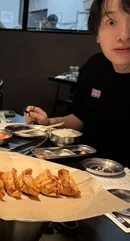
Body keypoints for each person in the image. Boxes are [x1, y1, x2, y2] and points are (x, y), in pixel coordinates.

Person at [24, 0, 130, 167]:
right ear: (98, 33)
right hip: (86, 168)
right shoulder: (95, 66)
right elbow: (80, 116)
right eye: (111, 22)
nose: (124, 35)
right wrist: (49, 123)